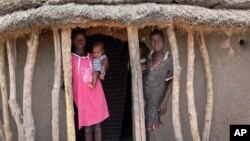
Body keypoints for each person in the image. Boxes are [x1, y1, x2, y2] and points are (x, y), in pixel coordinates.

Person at [71, 28, 109, 141]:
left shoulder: (92, 56)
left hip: (96, 96)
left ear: (86, 41)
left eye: (82, 39)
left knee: (98, 126)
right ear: (73, 41)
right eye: (77, 39)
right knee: (87, 128)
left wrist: (105, 66)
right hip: (83, 99)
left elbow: (105, 63)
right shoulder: (70, 58)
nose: (79, 41)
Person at [143, 29, 173, 141]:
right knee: (146, 129)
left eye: (158, 40)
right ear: (150, 42)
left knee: (152, 131)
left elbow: (171, 82)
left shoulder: (168, 60)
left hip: (156, 103)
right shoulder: (148, 58)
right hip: (145, 101)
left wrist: (165, 102)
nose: (156, 42)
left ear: (163, 41)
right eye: (153, 40)